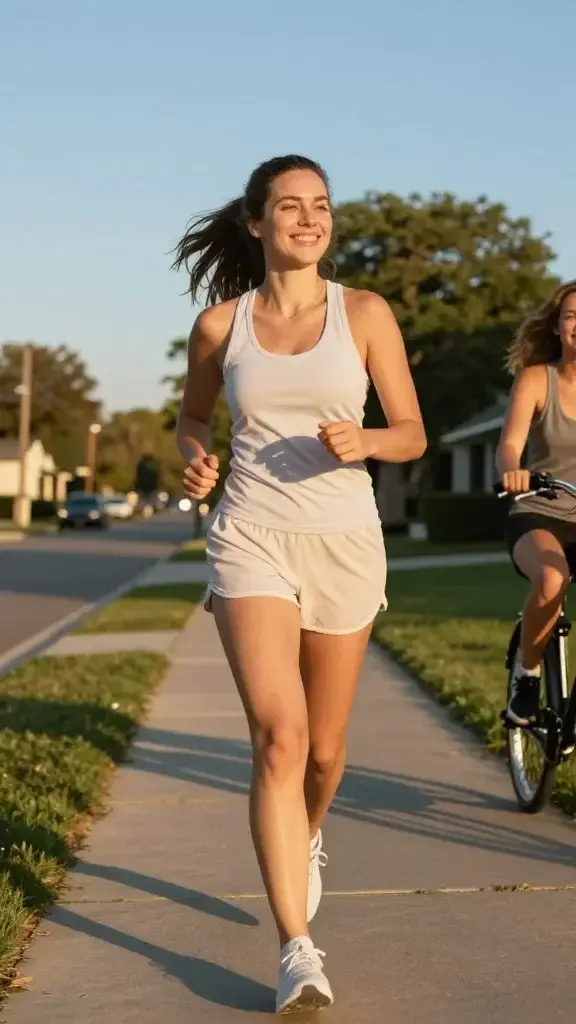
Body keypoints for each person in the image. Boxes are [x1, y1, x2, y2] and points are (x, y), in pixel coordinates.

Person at [174, 155, 426, 1013]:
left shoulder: (365, 314)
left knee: (323, 752)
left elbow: (415, 432)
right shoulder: (221, 326)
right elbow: (193, 417)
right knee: (279, 742)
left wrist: (369, 443)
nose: (309, 219)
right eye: (290, 206)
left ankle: (306, 833)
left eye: (320, 206)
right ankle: (297, 951)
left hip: (345, 541)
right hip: (250, 538)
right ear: (256, 223)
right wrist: (195, 460)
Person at [496, 280, 576, 726]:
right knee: (551, 578)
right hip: (541, 508)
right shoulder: (537, 380)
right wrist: (513, 469)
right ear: (559, 326)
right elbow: (509, 444)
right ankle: (526, 675)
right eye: (572, 316)